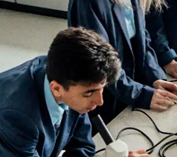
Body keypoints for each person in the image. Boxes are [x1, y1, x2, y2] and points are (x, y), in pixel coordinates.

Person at [0, 27, 150, 157]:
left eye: (101, 88)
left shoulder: (70, 76)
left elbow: (83, 148)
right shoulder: (16, 116)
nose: (99, 101)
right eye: (89, 93)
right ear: (56, 89)